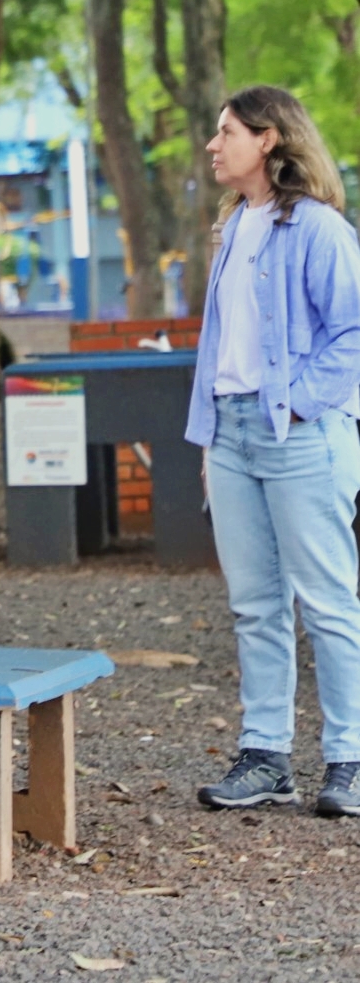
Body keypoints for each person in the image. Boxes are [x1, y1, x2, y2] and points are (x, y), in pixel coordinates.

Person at [188, 85, 360, 815]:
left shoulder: (318, 228)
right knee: (254, 606)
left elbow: (352, 334)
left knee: (327, 603)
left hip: (300, 434)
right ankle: (265, 757)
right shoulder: (232, 227)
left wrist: (292, 403)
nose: (212, 144)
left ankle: (349, 759)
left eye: (226, 131)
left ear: (267, 139)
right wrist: (212, 434)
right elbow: (221, 346)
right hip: (230, 434)